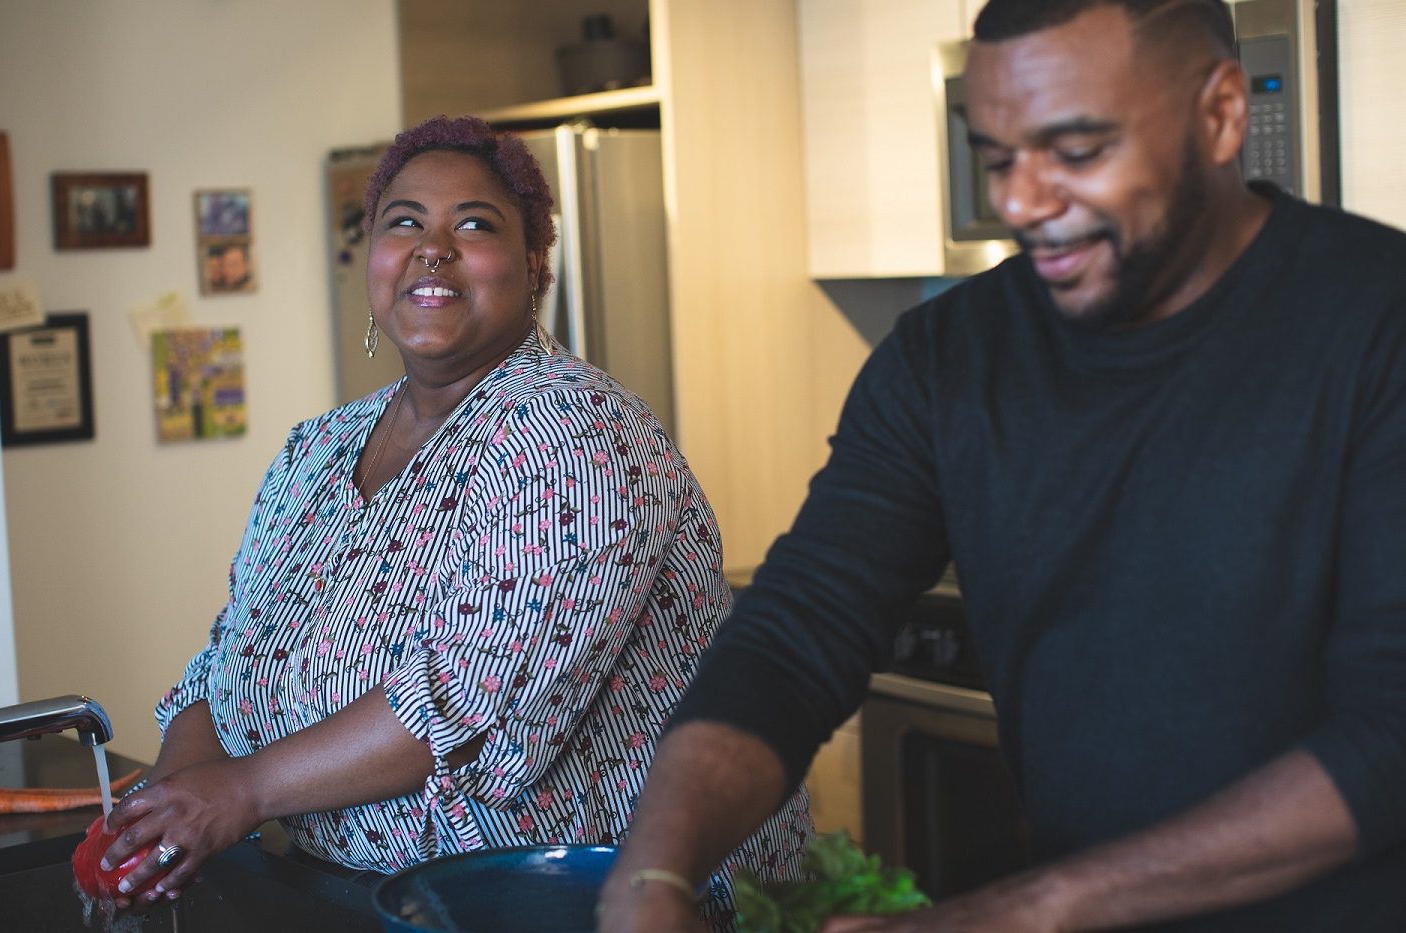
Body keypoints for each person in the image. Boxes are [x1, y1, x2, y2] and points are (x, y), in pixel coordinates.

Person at [599, 1, 1406, 931]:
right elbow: (795, 636)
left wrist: (1024, 909)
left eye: (1075, 151)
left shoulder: (1377, 325)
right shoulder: (946, 359)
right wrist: (648, 874)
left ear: (1221, 115)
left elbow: (1390, 739)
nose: (1021, 203)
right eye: (998, 158)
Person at [97, 115, 811, 925]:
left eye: (473, 224)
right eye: (404, 222)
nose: (432, 246)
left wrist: (243, 788)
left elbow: (471, 699)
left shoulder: (576, 431)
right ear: (373, 260)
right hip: (369, 896)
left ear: (535, 265)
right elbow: (233, 651)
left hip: (598, 905)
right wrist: (177, 793)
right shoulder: (317, 449)